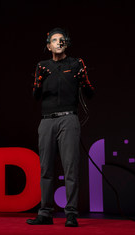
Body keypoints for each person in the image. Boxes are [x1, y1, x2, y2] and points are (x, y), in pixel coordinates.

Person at [27, 27, 94, 227]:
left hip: (68, 119)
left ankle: (71, 213)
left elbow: (90, 93)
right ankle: (45, 213)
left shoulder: (75, 64)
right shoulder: (42, 66)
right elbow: (35, 97)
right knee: (45, 168)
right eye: (54, 40)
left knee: (70, 167)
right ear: (48, 45)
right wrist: (39, 81)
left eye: (61, 39)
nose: (58, 42)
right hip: (47, 120)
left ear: (66, 43)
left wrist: (84, 80)